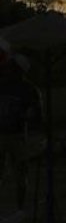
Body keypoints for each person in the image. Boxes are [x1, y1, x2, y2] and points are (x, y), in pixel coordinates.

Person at [0, 53, 42, 210]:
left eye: (11, 67)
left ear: (19, 70)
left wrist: (28, 117)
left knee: (20, 174)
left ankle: (20, 208)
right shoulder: (2, 85)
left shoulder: (29, 90)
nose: (6, 69)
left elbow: (37, 116)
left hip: (18, 137)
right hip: (3, 135)